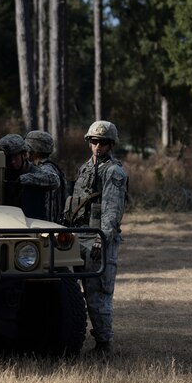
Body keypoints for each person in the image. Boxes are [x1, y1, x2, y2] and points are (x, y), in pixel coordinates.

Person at [65, 120, 128, 358]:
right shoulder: (85, 168)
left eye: (102, 142)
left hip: (98, 240)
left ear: (111, 145)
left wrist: (103, 239)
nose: (97, 146)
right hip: (78, 236)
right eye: (94, 141)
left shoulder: (114, 172)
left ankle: (104, 344)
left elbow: (113, 210)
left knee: (98, 295)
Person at [0, 133, 59, 220]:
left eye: (15, 156)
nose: (12, 162)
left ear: (23, 154)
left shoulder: (35, 171)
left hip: (34, 226)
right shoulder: (2, 173)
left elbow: (55, 180)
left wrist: (23, 180)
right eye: (8, 158)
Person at [24, 130, 67, 224]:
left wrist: (22, 179)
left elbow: (52, 178)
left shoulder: (46, 168)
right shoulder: (51, 167)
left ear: (34, 150)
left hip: (47, 227)